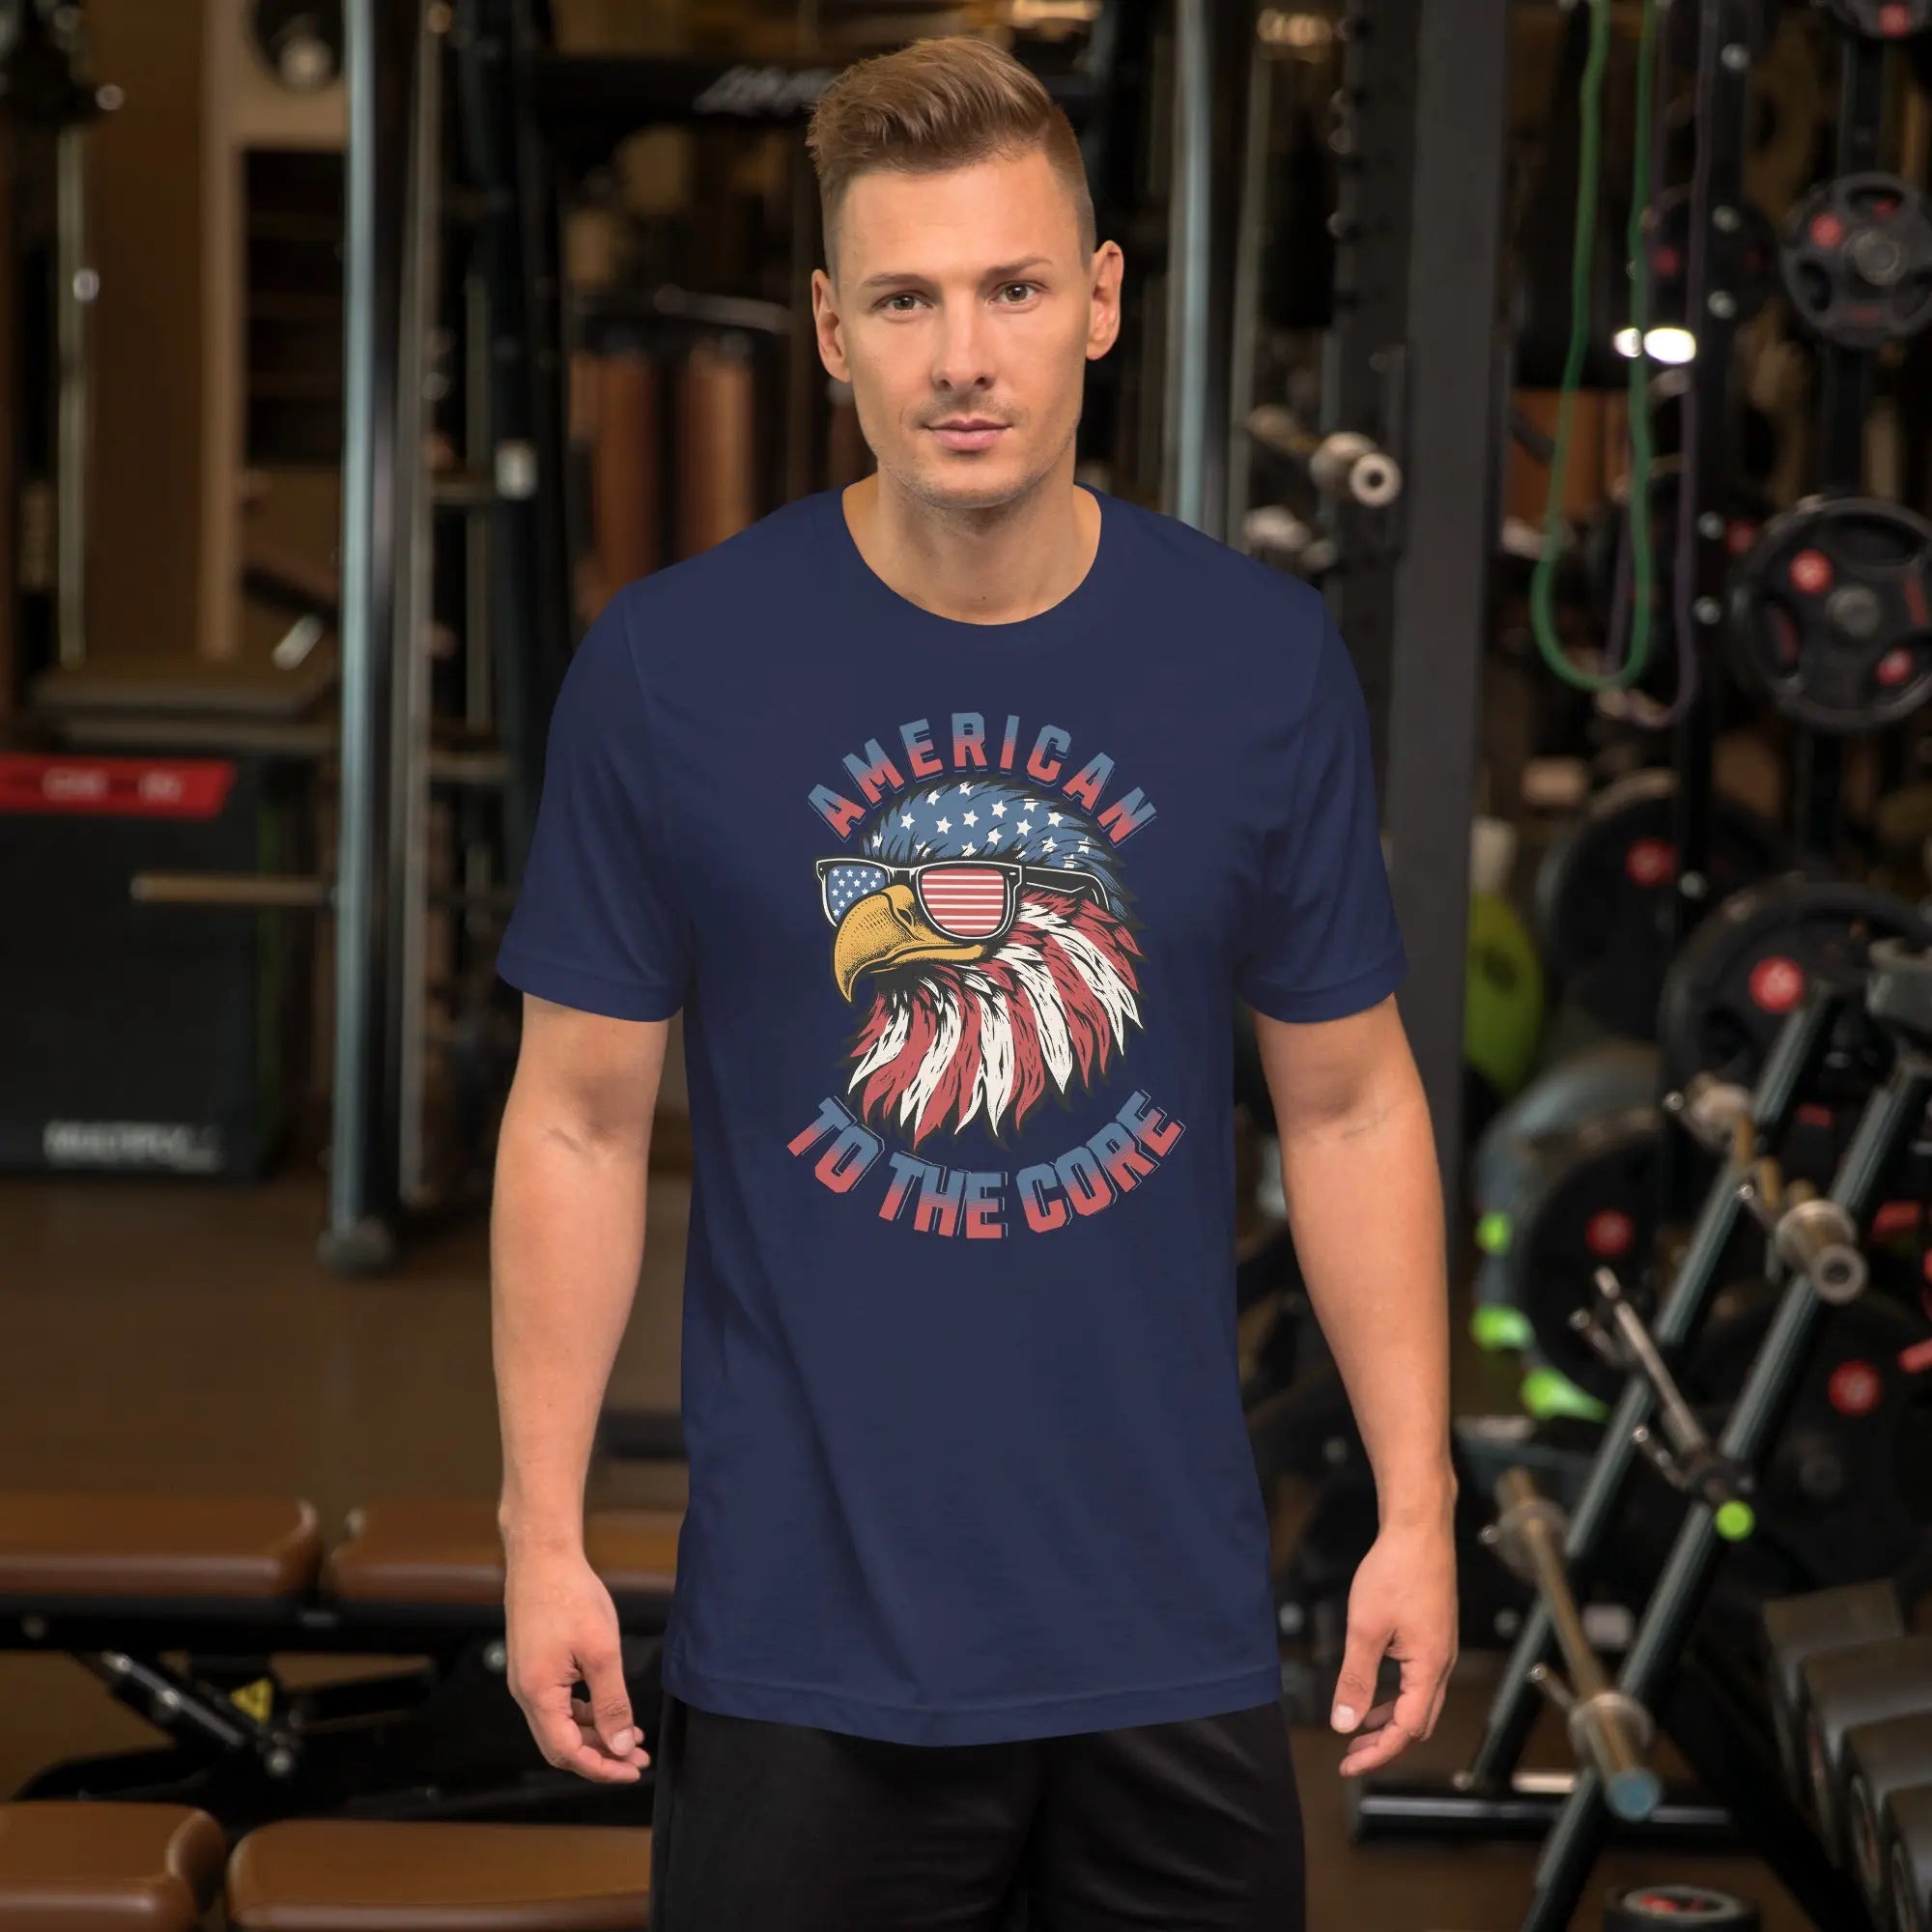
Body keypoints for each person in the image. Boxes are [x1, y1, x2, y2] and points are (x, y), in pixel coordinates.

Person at [491, 32, 1455, 1932]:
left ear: (1098, 304)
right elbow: (579, 1119)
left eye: (1012, 287)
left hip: (1163, 1638)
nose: (962, 357)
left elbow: (1350, 1100)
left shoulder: (1256, 664)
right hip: (803, 1645)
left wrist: (1412, 1511)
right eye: (908, 299)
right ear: (831, 328)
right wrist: (541, 1533)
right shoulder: (674, 669)